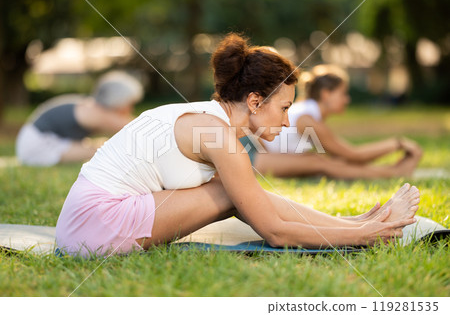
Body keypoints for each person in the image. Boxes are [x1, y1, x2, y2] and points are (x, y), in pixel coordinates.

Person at [55, 34, 420, 258]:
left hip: (84, 226)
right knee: (230, 194)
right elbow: (274, 232)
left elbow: (258, 203)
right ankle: (364, 232)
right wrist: (366, 236)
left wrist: (352, 222)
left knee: (235, 191)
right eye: (285, 108)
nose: (288, 121)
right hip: (94, 230)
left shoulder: (208, 120)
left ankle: (352, 224)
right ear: (256, 101)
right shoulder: (217, 135)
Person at [250, 64, 422, 179]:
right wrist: (397, 143)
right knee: (319, 163)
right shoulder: (306, 118)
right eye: (343, 93)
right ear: (326, 94)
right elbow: (354, 155)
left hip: (260, 155)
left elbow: (346, 158)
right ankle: (394, 173)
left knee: (321, 162)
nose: (347, 99)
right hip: (253, 155)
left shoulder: (306, 112)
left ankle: (392, 171)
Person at [16, 71, 144, 166]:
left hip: (51, 138)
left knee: (103, 146)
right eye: (130, 104)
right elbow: (135, 127)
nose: (131, 109)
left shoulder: (90, 106)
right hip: (37, 144)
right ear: (118, 101)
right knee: (102, 151)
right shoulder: (95, 112)